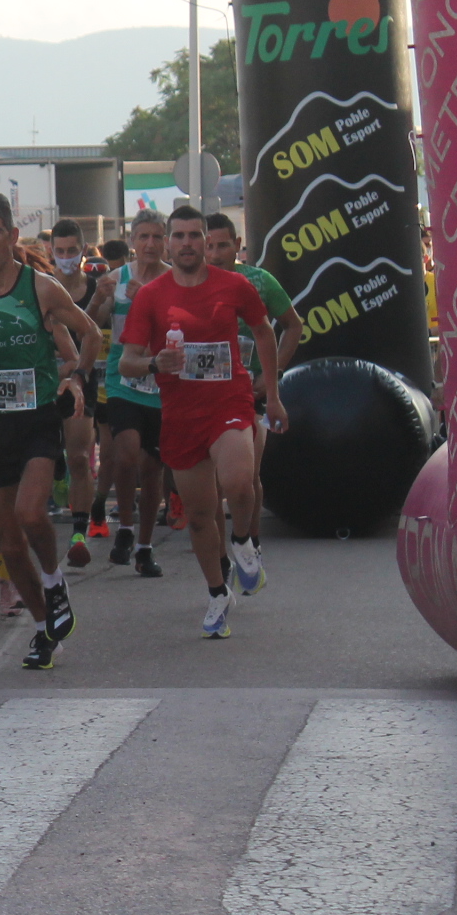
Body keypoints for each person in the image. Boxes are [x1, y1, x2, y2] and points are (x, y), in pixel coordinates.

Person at [0, 193, 103, 671]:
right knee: (7, 544)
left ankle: (53, 579)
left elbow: (89, 332)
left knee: (31, 513)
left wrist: (75, 378)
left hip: (36, 419)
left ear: (12, 235)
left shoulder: (40, 288)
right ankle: (43, 629)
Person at [117, 205, 289, 640]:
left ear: (206, 241)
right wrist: (157, 361)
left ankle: (245, 541)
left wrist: (273, 393)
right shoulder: (151, 296)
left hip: (228, 398)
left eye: (196, 236)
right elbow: (127, 362)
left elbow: (266, 331)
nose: (188, 244)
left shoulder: (234, 285)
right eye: (180, 237)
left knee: (237, 481)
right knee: (197, 516)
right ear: (169, 243)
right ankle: (217, 592)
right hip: (179, 412)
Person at [202, 213, 302, 558]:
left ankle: (249, 541)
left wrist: (271, 378)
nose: (215, 254)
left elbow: (293, 326)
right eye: (209, 246)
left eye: (223, 245)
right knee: (211, 481)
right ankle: (217, 550)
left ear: (238, 246)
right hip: (207, 391)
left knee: (246, 475)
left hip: (250, 391)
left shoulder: (258, 282)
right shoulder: (191, 283)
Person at [92, 210, 170, 576]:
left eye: (157, 237)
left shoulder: (174, 280)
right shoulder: (116, 278)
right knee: (126, 455)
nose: (150, 244)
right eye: (144, 237)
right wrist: (96, 296)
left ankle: (144, 545)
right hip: (123, 379)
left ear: (165, 241)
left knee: (153, 468)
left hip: (161, 382)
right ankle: (124, 526)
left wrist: (151, 303)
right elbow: (92, 324)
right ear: (132, 241)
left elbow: (185, 323)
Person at [45, 218, 110, 567]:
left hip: (82, 378)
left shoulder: (95, 288)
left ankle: (79, 531)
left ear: (83, 251)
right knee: (48, 455)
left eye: (73, 251)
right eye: (61, 251)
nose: (67, 257)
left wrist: (79, 370)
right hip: (44, 380)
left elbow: (93, 331)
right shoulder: (42, 287)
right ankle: (56, 472)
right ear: (50, 251)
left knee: (81, 457)